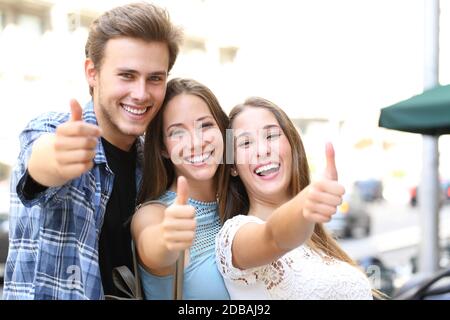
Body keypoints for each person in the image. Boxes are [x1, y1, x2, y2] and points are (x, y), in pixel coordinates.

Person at [4, 2, 183, 300]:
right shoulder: (53, 129)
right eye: (126, 75)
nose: (141, 93)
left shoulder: (152, 162)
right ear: (92, 73)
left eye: (155, 78)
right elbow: (39, 163)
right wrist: (56, 158)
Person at [215, 97, 375, 300]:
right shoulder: (234, 236)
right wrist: (307, 201)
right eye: (246, 143)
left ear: (292, 146)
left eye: (271, 135)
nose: (262, 150)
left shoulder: (317, 243)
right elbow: (273, 236)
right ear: (233, 166)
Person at [131, 78, 230, 299]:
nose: (196, 142)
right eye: (177, 133)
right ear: (163, 149)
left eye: (205, 126)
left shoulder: (238, 199)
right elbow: (153, 245)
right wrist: (167, 237)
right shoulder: (154, 214)